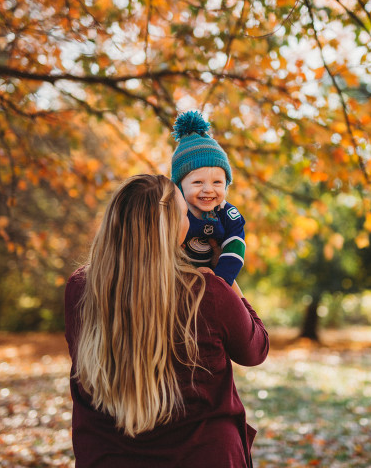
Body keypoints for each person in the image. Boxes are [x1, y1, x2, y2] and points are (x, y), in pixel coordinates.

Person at [64, 174, 269, 468]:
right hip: (203, 456)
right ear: (170, 227)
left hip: (108, 455)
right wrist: (225, 277)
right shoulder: (207, 293)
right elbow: (256, 349)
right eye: (186, 213)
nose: (192, 221)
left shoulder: (80, 287)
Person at [170, 111, 246, 288]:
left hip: (215, 279)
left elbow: (235, 247)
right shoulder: (171, 211)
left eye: (217, 182)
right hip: (175, 279)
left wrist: (220, 280)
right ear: (180, 186)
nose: (208, 190)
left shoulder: (227, 213)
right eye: (197, 182)